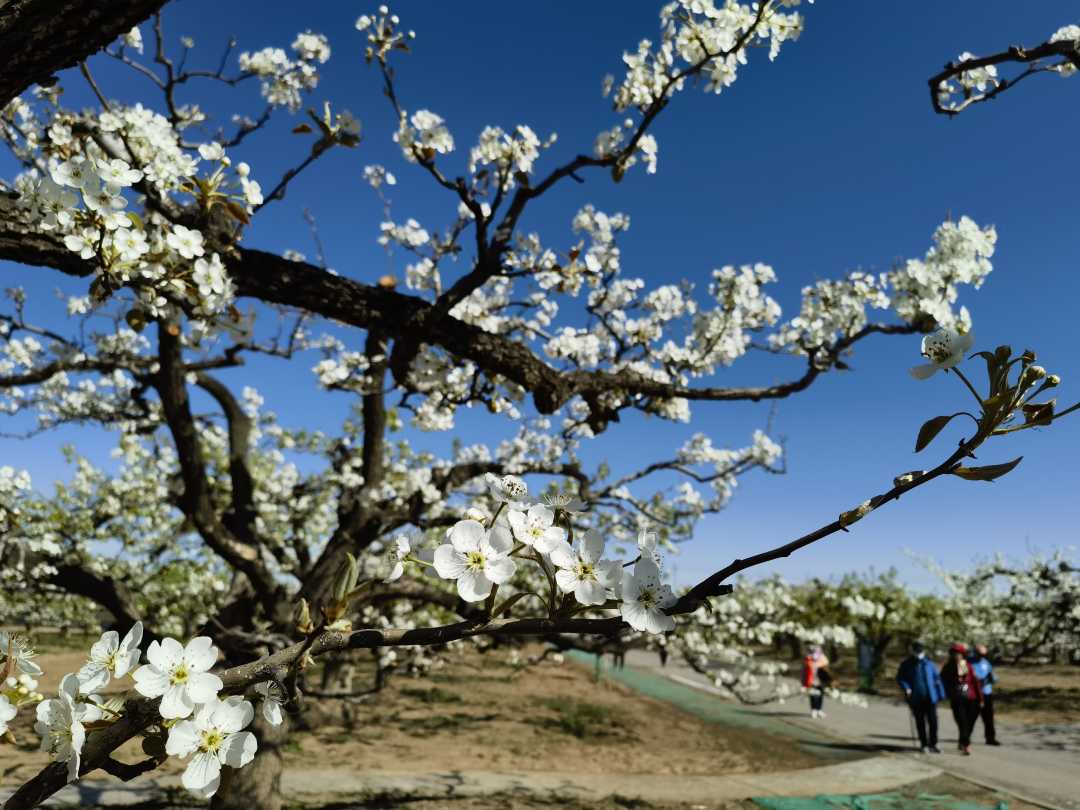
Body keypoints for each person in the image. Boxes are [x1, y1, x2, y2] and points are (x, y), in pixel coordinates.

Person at [896, 641, 945, 753]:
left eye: (920, 651)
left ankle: (934, 743)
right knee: (920, 721)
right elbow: (900, 678)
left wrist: (941, 694)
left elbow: (937, 679)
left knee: (933, 722)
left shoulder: (929, 664)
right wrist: (906, 687)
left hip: (930, 697)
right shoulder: (906, 664)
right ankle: (924, 744)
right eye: (916, 651)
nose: (919, 654)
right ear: (912, 651)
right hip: (916, 698)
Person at [940, 641, 983, 755]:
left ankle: (963, 740)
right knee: (962, 722)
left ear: (963, 654)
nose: (956, 655)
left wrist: (981, 698)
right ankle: (966, 744)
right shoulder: (948, 666)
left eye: (958, 653)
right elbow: (943, 681)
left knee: (969, 723)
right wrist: (945, 693)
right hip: (958, 699)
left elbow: (973, 682)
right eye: (954, 653)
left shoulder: (965, 665)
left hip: (971, 698)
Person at [969, 643, 1000, 746]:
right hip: (974, 694)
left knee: (988, 717)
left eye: (983, 655)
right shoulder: (966, 663)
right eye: (980, 654)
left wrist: (992, 678)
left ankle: (990, 738)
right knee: (971, 717)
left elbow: (994, 676)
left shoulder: (986, 663)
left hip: (987, 693)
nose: (982, 657)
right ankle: (965, 737)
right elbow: (962, 679)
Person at [802, 645, 831, 719]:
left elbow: (826, 666)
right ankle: (814, 710)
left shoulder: (822, 659)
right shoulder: (808, 659)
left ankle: (819, 710)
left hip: (820, 680)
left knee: (820, 695)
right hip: (811, 680)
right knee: (813, 695)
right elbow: (805, 671)